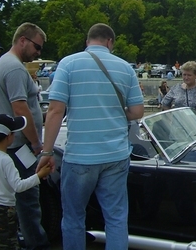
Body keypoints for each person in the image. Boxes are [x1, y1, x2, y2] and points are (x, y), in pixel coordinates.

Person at [37, 23, 144, 250]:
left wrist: (47, 152)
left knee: (74, 217)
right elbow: (137, 112)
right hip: (116, 155)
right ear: (110, 42)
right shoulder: (126, 68)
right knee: (115, 218)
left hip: (80, 155)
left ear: (88, 41)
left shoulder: (68, 63)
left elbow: (56, 110)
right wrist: (115, 111)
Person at [0, 22, 49, 249]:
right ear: (23, 40)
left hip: (7, 145)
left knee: (11, 202)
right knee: (29, 204)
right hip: (19, 148)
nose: (38, 53)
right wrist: (36, 144)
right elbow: (20, 110)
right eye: (37, 47)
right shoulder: (14, 69)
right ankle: (37, 245)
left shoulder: (2, 63)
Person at [0, 114, 52, 249]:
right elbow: (18, 186)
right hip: (5, 210)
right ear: (9, 136)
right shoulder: (6, 160)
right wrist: (39, 176)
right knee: (8, 243)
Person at [161, 61, 196, 128]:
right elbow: (165, 103)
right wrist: (170, 119)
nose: (186, 77)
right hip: (179, 130)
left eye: (189, 75)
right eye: (184, 75)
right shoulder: (175, 88)